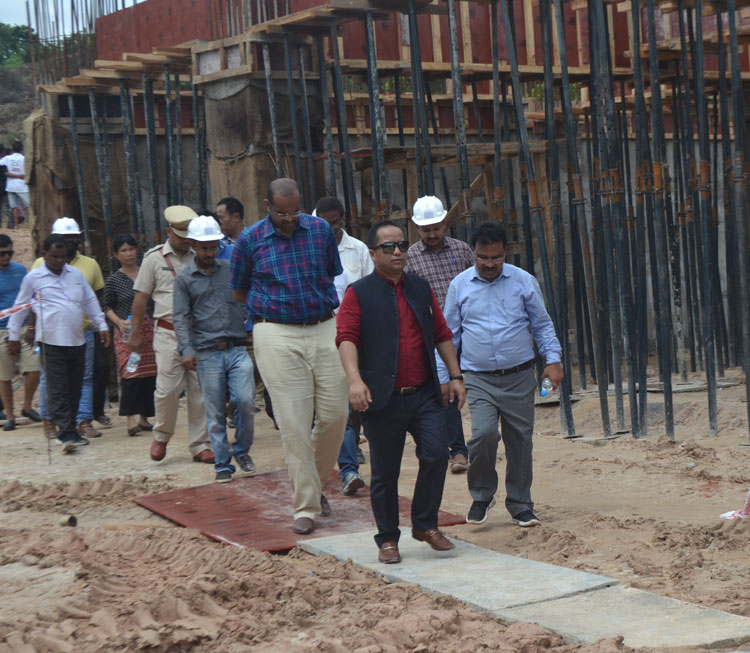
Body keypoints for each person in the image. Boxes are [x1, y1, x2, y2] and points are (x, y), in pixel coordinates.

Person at [336, 220, 466, 565]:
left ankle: (424, 524)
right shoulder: (359, 293)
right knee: (385, 472)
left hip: (423, 394)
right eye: (388, 247)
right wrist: (355, 381)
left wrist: (455, 375)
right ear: (372, 254)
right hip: (382, 397)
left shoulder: (420, 288)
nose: (397, 252)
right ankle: (388, 538)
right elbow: (346, 337)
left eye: (402, 245)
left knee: (437, 454)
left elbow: (441, 333)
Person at [230, 178, 349, 535]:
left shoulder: (320, 231)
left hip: (323, 324)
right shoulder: (250, 240)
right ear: (268, 206)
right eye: (283, 213)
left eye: (295, 211)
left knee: (336, 414)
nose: (290, 219)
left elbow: (331, 273)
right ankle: (306, 506)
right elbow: (239, 291)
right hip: (275, 330)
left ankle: (313, 482)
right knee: (294, 423)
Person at [441, 221, 563, 527]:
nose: (489, 263)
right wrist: (447, 376)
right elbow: (449, 336)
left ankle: (520, 503)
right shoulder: (459, 286)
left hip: (519, 376)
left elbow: (541, 324)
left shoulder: (523, 281)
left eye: (495, 257)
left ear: (505, 252)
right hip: (478, 377)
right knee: (482, 435)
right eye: (482, 257)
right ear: (473, 253)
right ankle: (482, 495)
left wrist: (553, 360)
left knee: (520, 440)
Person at [7, 235, 110, 453]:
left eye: (62, 257)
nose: (59, 261)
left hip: (77, 340)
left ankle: (70, 428)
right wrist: (14, 337)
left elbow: (90, 301)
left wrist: (101, 325)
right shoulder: (33, 278)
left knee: (75, 388)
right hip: (51, 343)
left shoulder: (76, 274)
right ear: (44, 254)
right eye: (54, 256)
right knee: (58, 389)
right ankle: (66, 434)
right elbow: (20, 307)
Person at [173, 215, 256, 483]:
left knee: (245, 401)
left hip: (237, 347)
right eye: (204, 247)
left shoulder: (230, 269)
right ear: (193, 245)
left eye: (213, 246)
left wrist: (249, 324)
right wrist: (187, 349)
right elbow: (181, 317)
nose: (210, 252)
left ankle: (241, 450)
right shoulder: (184, 280)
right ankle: (222, 463)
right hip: (207, 352)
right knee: (215, 410)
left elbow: (246, 298)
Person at [129, 206, 213, 463]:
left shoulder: (200, 256)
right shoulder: (154, 259)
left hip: (199, 334)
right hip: (168, 332)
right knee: (167, 390)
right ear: (169, 232)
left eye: (189, 235)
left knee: (200, 390)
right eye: (180, 235)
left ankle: (200, 444)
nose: (186, 240)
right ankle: (162, 435)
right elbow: (141, 298)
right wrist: (135, 333)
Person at [405, 196, 474, 475]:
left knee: (477, 384)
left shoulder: (462, 250)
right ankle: (458, 450)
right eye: (426, 230)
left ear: (445, 223)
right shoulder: (410, 258)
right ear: (416, 228)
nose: (432, 234)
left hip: (469, 328)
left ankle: (480, 439)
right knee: (446, 390)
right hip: (434, 335)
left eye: (436, 228)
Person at [314, 196, 373, 496]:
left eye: (335, 222)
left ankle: (349, 454)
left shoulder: (357, 251)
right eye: (324, 224)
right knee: (339, 407)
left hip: (353, 336)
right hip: (319, 340)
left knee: (357, 400)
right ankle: (347, 468)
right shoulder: (307, 251)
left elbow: (369, 290)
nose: (330, 229)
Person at [32, 218, 108, 440]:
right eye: (66, 238)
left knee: (84, 377)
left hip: (82, 331)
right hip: (51, 335)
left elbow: (95, 297)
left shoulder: (89, 265)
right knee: (49, 379)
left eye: (74, 237)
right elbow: (30, 300)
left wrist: (100, 324)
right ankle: (49, 420)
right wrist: (30, 327)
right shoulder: (39, 265)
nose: (71, 241)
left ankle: (83, 421)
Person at [102, 234, 157, 436]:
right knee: (130, 372)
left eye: (131, 249)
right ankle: (130, 418)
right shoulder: (114, 280)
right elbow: (107, 306)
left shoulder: (147, 273)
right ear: (116, 255)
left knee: (149, 373)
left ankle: (144, 417)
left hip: (149, 330)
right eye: (123, 251)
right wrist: (118, 322)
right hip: (125, 332)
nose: (128, 254)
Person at [0, 234, 41, 431]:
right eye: (2, 253)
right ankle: (10, 416)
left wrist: (31, 326)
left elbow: (30, 298)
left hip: (24, 326)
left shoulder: (20, 270)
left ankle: (26, 406)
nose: (7, 257)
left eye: (10, 253)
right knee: (5, 375)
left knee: (35, 366)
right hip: (1, 329)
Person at [0, 141, 29, 229]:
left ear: (12, 149)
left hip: (10, 186)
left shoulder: (7, 158)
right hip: (22, 186)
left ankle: (16, 225)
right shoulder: (24, 158)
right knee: (28, 205)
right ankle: (30, 223)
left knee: (14, 206)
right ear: (22, 149)